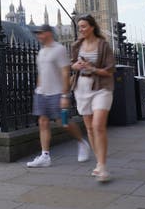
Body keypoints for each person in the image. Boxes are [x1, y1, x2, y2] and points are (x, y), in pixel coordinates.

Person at [27, 24, 91, 168]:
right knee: (43, 122)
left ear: (48, 33)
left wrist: (64, 95)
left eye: (41, 33)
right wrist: (38, 89)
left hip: (56, 93)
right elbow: (41, 72)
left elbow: (65, 72)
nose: (38, 36)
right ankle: (45, 155)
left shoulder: (59, 50)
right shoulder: (42, 52)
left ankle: (82, 142)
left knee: (63, 122)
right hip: (42, 93)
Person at [71, 14, 116, 182]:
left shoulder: (103, 45)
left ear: (92, 27)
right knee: (89, 128)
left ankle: (102, 166)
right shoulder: (76, 45)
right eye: (79, 27)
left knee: (98, 126)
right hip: (81, 88)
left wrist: (92, 68)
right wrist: (75, 66)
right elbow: (72, 64)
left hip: (101, 87)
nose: (80, 30)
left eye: (83, 26)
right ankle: (99, 163)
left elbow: (110, 70)